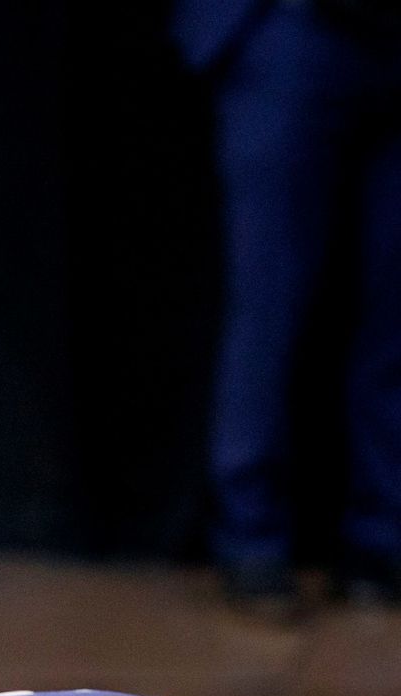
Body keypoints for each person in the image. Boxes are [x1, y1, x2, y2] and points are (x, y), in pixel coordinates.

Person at [173, 0, 401, 619]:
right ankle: (251, 535)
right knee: (269, 308)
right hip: (289, 30)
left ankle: (380, 541)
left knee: (393, 323)